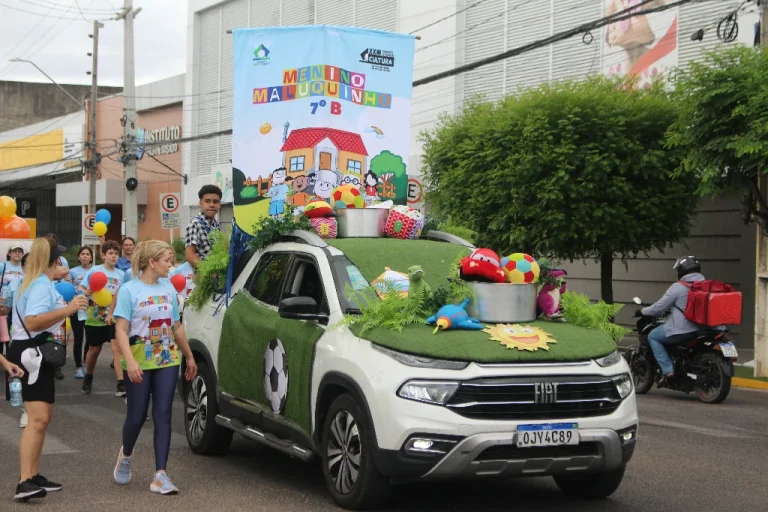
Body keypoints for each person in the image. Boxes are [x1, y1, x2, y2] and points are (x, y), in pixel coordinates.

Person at [6, 237, 88, 501]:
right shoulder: (41, 284)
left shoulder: (28, 280)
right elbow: (32, 321)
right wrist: (68, 309)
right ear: (54, 260)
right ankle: (24, 481)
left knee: (40, 419)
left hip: (30, 351)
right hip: (33, 351)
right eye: (59, 258)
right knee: (37, 420)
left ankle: (32, 475)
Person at [112, 240, 197, 495]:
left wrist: (189, 356)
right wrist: (131, 361)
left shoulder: (169, 289)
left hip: (167, 360)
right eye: (167, 261)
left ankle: (160, 475)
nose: (171, 266)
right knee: (137, 416)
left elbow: (176, 327)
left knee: (163, 415)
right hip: (138, 361)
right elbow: (120, 329)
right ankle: (126, 454)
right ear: (152, 262)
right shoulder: (129, 290)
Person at [638, 255, 705, 387]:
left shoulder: (678, 287)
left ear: (682, 271)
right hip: (703, 329)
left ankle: (668, 370)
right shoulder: (705, 286)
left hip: (683, 330)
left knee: (653, 336)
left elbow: (658, 308)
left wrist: (642, 311)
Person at [79, 241, 126, 397]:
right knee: (94, 350)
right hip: (95, 316)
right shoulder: (95, 270)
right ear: (103, 255)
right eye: (110, 253)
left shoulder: (121, 274)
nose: (114, 256)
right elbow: (81, 288)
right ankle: (88, 375)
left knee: (117, 348)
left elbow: (124, 294)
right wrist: (86, 292)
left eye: (116, 253)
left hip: (114, 316)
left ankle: (121, 383)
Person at [1, 253, 29, 427]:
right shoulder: (13, 284)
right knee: (21, 374)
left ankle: (34, 410)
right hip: (19, 336)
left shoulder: (45, 284)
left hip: (41, 338)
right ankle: (25, 411)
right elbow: (5, 309)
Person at [69, 247, 94, 378]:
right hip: (78, 307)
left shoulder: (95, 271)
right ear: (79, 257)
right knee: (78, 337)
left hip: (92, 308)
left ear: (91, 257)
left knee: (89, 338)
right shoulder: (72, 272)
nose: (85, 256)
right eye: (82, 254)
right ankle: (78, 367)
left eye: (87, 254)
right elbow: (68, 290)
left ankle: (85, 362)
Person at [185, 184, 222, 269]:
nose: (212, 205)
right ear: (200, 203)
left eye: (215, 201)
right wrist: (208, 271)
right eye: (207, 201)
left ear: (220, 204)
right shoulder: (195, 224)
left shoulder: (216, 225)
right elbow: (190, 255)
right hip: (200, 276)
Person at [1, 244, 26, 354]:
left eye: (19, 251)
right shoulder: (3, 266)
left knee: (14, 334)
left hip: (19, 305)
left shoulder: (25, 267)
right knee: (2, 333)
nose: (17, 253)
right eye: (14, 251)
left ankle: (12, 360)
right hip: (4, 304)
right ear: (9, 253)